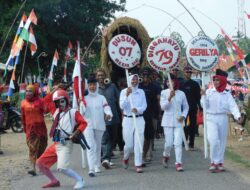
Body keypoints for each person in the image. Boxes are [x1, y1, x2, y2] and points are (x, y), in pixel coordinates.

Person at [36, 88, 87, 189]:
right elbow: (46, 100)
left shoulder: (73, 112)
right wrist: (56, 89)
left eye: (62, 101)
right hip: (56, 143)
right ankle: (54, 181)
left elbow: (83, 123)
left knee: (62, 168)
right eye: (57, 102)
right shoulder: (56, 112)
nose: (60, 104)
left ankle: (80, 180)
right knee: (40, 163)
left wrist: (76, 133)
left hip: (66, 144)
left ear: (67, 100)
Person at [201, 69, 242, 173]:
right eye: (214, 80)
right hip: (210, 118)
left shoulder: (227, 94)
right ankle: (213, 162)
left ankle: (219, 162)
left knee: (222, 141)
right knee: (213, 140)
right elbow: (204, 106)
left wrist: (238, 116)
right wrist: (203, 95)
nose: (215, 82)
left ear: (223, 81)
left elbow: (233, 106)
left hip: (222, 118)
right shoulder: (209, 92)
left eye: (218, 80)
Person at [83, 75, 113, 177]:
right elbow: (80, 112)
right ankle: (91, 169)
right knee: (90, 146)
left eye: (94, 85)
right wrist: (80, 103)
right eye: (90, 85)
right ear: (88, 86)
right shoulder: (84, 99)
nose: (92, 87)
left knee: (98, 146)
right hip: (88, 125)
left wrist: (109, 114)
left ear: (96, 85)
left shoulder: (102, 98)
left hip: (100, 124)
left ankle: (96, 165)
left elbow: (107, 107)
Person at [160, 74, 189, 171]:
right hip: (167, 121)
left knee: (177, 143)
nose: (169, 83)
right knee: (168, 143)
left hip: (178, 121)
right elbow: (163, 107)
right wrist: (169, 98)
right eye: (167, 81)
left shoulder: (181, 93)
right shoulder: (164, 93)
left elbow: (186, 107)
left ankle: (178, 163)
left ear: (175, 82)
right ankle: (166, 155)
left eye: (171, 81)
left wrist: (183, 116)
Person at [119, 73, 147, 173]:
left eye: (136, 79)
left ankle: (138, 164)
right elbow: (122, 106)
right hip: (128, 120)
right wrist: (127, 95)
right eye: (132, 79)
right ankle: (126, 157)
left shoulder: (141, 92)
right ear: (129, 80)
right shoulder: (123, 92)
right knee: (129, 145)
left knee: (139, 142)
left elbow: (144, 106)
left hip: (139, 119)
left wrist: (137, 110)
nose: (134, 81)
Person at [20, 84, 48, 176]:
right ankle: (33, 168)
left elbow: (46, 110)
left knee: (43, 146)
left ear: (34, 92)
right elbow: (22, 117)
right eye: (27, 91)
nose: (28, 92)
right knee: (32, 148)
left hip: (41, 128)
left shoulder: (40, 101)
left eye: (30, 91)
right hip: (30, 129)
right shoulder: (23, 103)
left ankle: (40, 161)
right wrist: (24, 128)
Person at [96, 68, 120, 169]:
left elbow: (119, 99)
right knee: (105, 139)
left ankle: (106, 157)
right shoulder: (94, 89)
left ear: (105, 76)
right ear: (96, 77)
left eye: (102, 75)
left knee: (113, 139)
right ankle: (106, 159)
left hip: (114, 118)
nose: (101, 77)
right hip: (101, 119)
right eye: (99, 75)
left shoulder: (112, 86)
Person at [139, 68, 158, 164]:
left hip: (150, 115)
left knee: (148, 136)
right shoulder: (138, 86)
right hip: (139, 115)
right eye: (143, 75)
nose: (145, 77)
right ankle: (139, 155)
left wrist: (157, 114)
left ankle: (145, 154)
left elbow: (157, 101)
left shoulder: (154, 87)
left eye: (147, 75)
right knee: (138, 136)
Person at [180, 65, 201, 150]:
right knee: (183, 125)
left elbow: (198, 98)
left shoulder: (195, 84)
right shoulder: (180, 84)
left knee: (192, 126)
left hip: (192, 107)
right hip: (182, 108)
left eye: (190, 72)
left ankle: (191, 143)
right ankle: (184, 141)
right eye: (187, 72)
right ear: (184, 73)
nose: (188, 73)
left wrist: (200, 108)